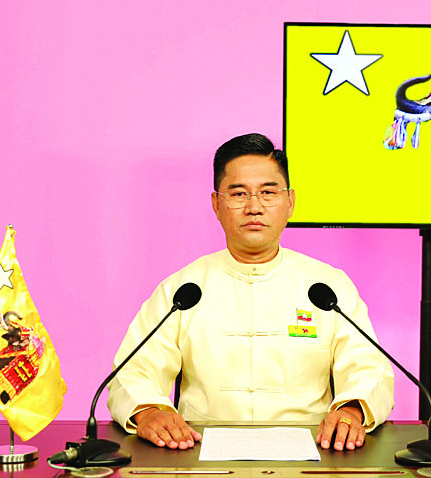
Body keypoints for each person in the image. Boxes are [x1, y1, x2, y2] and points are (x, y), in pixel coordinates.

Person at [107, 133, 394, 451]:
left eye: (268, 192)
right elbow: (134, 371)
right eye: (239, 194)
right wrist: (148, 413)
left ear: (290, 202)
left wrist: (351, 411)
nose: (254, 207)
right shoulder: (183, 290)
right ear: (217, 205)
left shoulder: (328, 287)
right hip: (199, 454)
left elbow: (368, 368)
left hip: (314, 454)